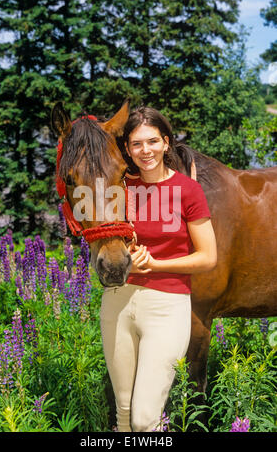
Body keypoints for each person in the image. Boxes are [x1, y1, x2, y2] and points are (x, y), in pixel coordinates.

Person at [99, 106, 217, 432]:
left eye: (152, 142)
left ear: (166, 143)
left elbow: (208, 257)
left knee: (145, 419)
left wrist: (157, 263)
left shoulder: (188, 190)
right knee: (122, 415)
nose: (145, 150)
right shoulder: (118, 187)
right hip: (118, 302)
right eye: (136, 144)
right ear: (127, 149)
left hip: (168, 305)